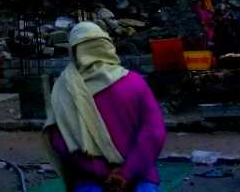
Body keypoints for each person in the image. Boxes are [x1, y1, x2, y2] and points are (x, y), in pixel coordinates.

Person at [44, 22, 166, 192]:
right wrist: (126, 173)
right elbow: (154, 133)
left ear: (75, 51)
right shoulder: (135, 82)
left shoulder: (64, 89)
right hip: (139, 177)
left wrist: (102, 171)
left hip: (90, 179)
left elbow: (59, 139)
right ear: (107, 46)